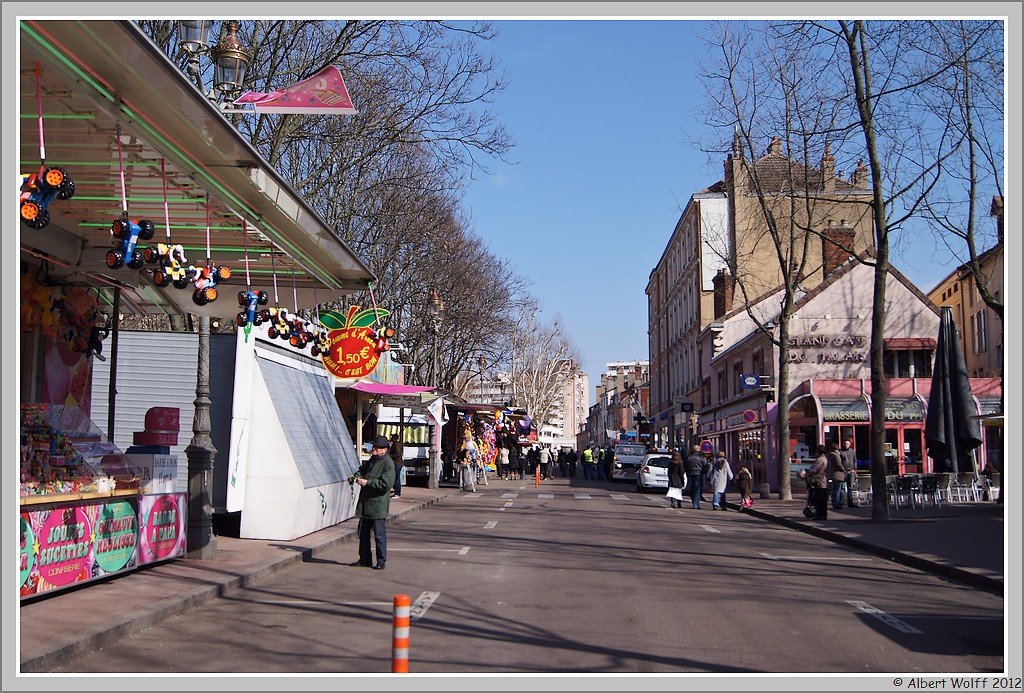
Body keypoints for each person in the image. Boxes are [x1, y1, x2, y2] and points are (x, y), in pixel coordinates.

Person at [350, 436, 396, 570]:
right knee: (363, 533)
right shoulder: (373, 460)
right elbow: (362, 470)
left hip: (378, 506)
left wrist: (367, 483)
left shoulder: (388, 464)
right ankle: (365, 559)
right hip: (366, 504)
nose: (374, 449)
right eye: (374, 447)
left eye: (377, 447)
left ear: (384, 450)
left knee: (379, 535)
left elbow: (385, 484)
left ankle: (381, 560)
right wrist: (355, 476)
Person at [807, 445, 830, 520]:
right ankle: (823, 514)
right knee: (823, 500)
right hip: (824, 481)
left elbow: (813, 470)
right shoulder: (825, 459)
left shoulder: (819, 460)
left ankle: (819, 514)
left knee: (818, 499)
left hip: (819, 481)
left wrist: (806, 473)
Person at [839, 438, 858, 507]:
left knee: (850, 487)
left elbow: (855, 460)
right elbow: (839, 462)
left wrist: (854, 469)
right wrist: (842, 469)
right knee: (842, 488)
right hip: (843, 471)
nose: (846, 445)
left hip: (851, 471)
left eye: (847, 444)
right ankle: (841, 502)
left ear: (850, 444)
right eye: (845, 444)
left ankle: (850, 502)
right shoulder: (840, 452)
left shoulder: (852, 451)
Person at [826, 442, 846, 510]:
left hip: (832, 474)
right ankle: (837, 503)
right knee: (838, 490)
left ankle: (834, 502)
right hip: (838, 475)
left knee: (834, 490)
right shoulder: (836, 454)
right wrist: (843, 470)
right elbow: (839, 464)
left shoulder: (829, 455)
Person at [388, 433, 404, 499]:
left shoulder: (396, 445)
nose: (391, 438)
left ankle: (397, 493)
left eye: (392, 437)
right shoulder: (395, 444)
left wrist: (390, 456)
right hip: (397, 463)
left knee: (396, 477)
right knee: (395, 477)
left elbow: (398, 454)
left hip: (397, 463)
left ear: (394, 438)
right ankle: (396, 491)